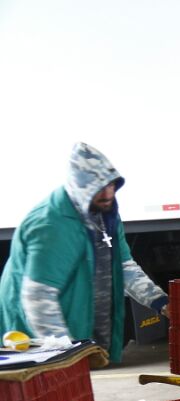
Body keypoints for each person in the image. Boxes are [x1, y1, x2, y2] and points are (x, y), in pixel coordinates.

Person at [0, 143, 169, 363]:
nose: (108, 193)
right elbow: (39, 298)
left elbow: (124, 267)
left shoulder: (105, 215)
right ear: (80, 188)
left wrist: (161, 303)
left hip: (79, 325)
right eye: (98, 188)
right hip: (37, 336)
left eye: (111, 185)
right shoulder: (51, 225)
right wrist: (65, 355)